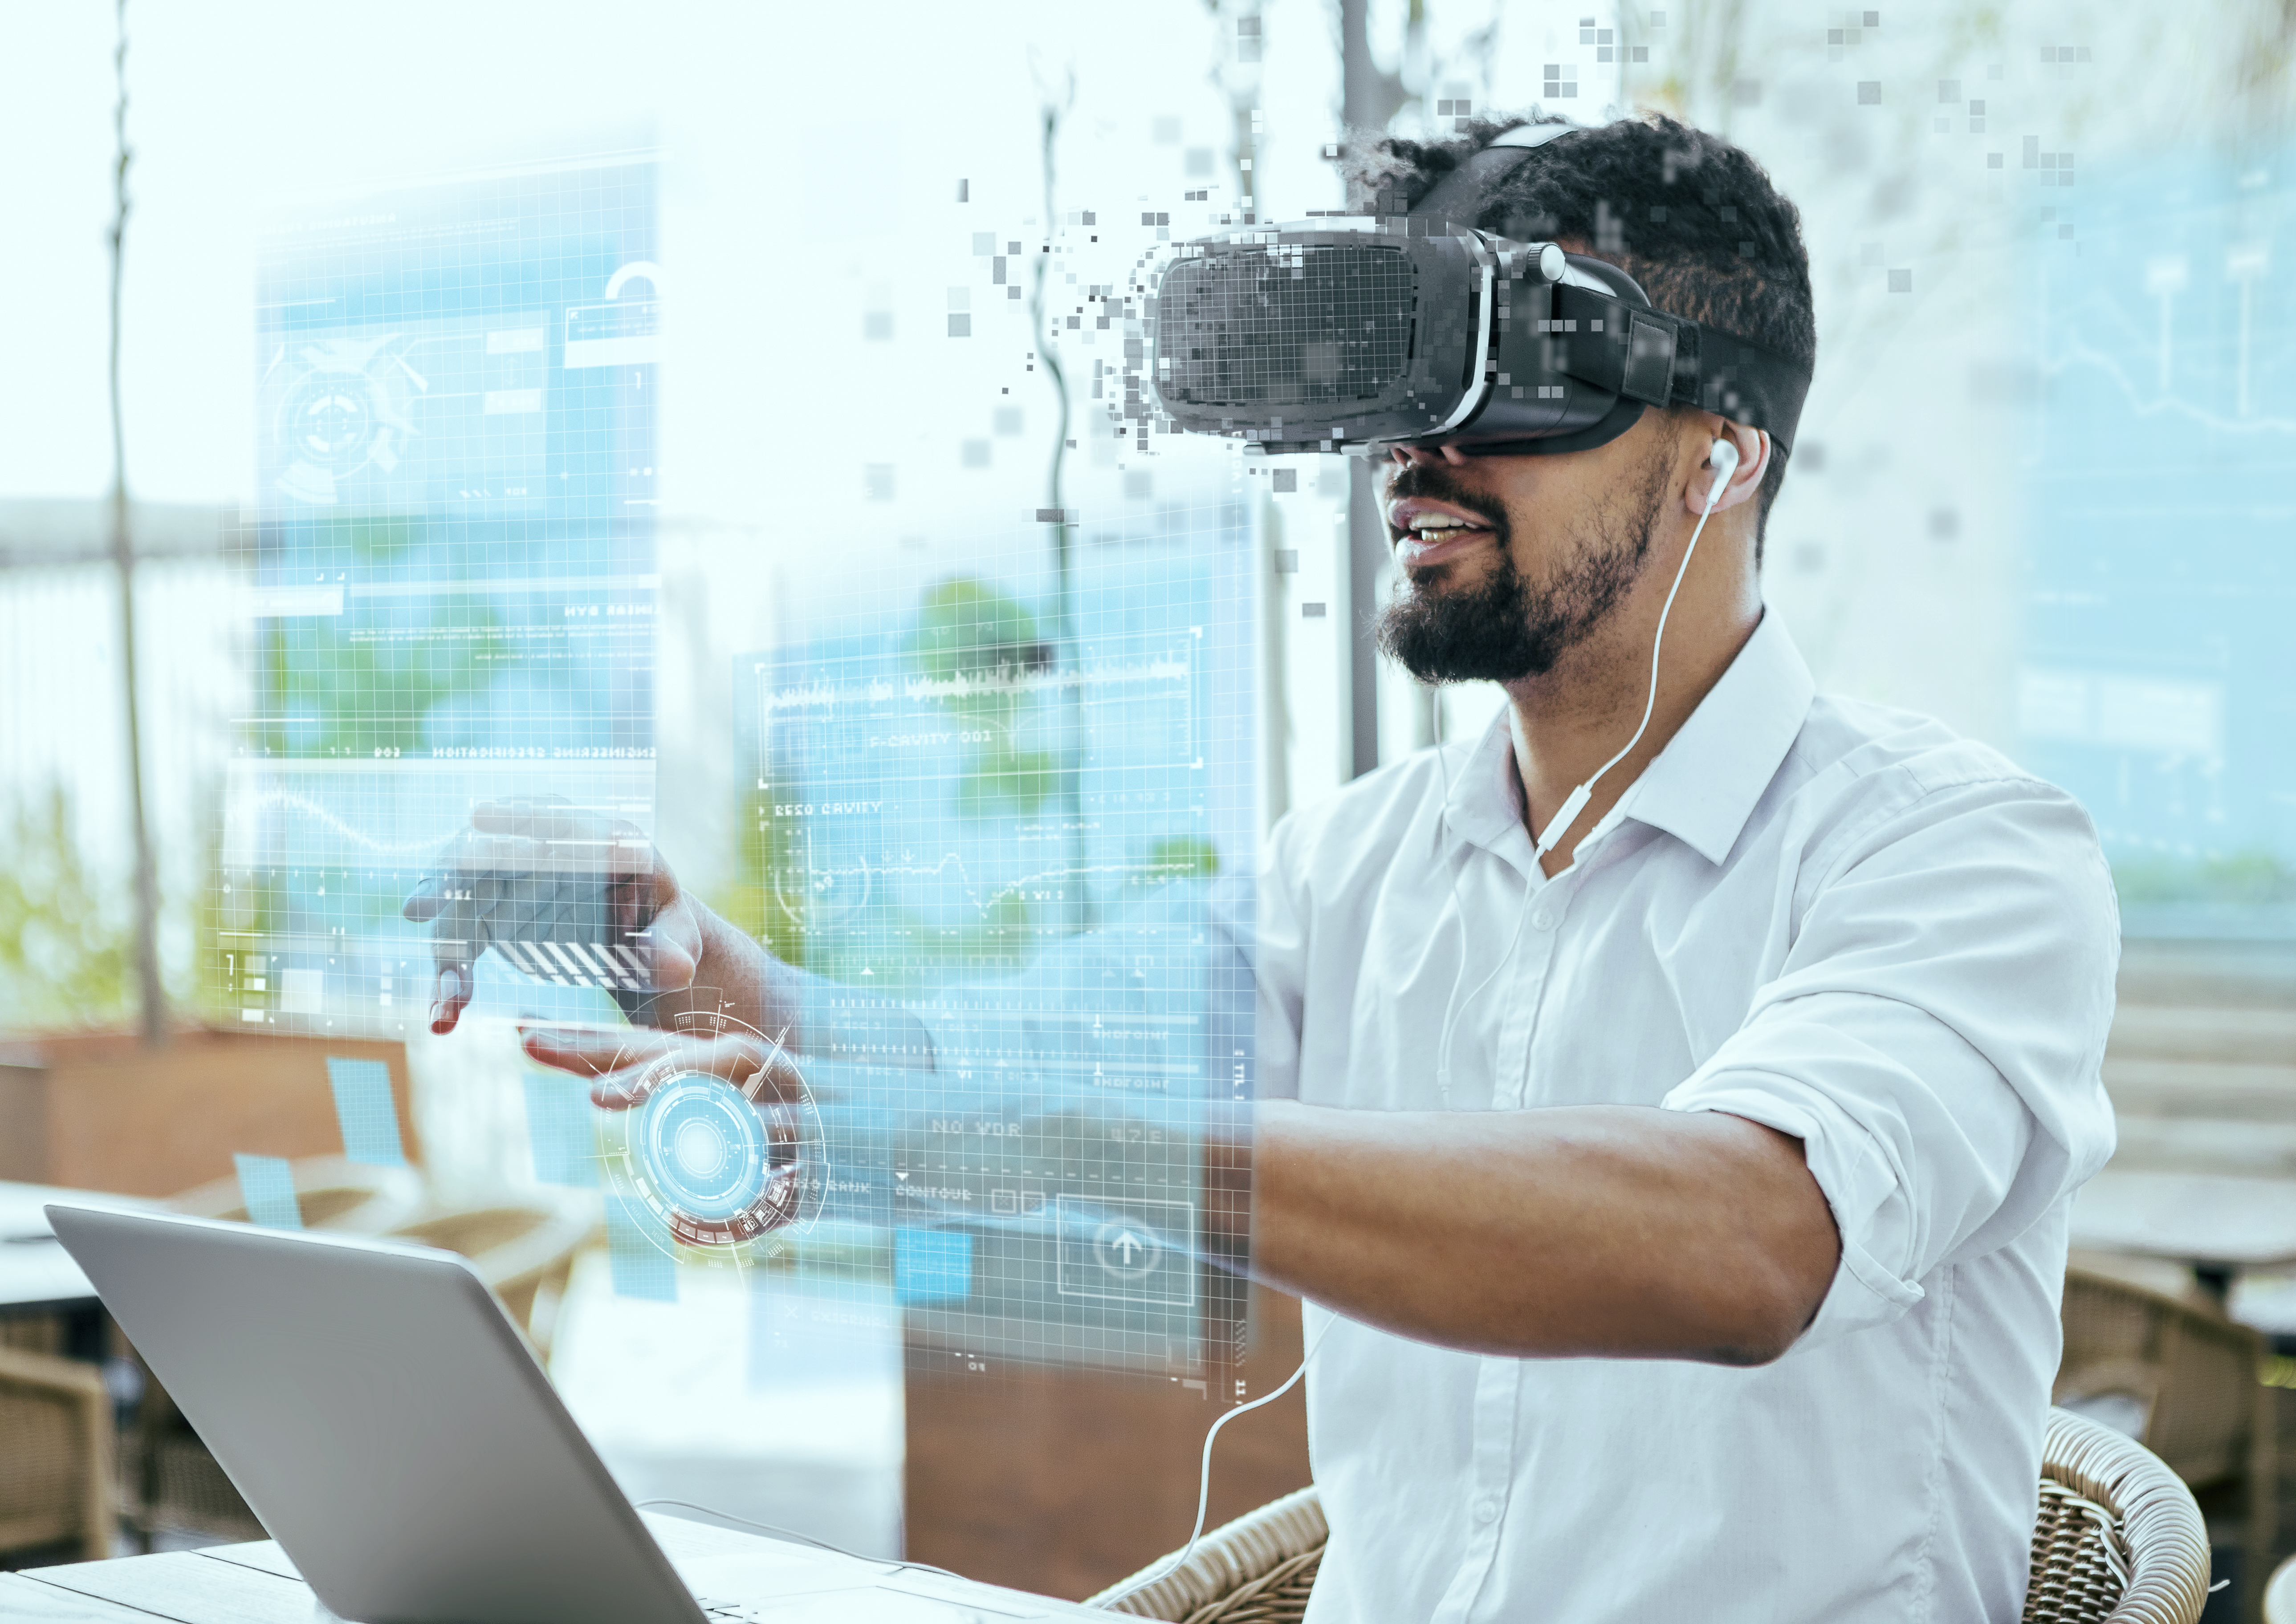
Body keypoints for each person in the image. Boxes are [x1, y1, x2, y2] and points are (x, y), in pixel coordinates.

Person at [413, 112, 2118, 1624]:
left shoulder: (1960, 854)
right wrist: (693, 955)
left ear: (1723, 448)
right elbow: (974, 1070)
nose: (1409, 454)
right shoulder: (1353, 869)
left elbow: (1752, 1242)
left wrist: (1082, 1139)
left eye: (1494, 379)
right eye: (1393, 390)